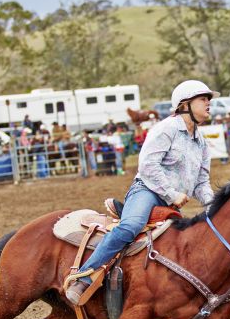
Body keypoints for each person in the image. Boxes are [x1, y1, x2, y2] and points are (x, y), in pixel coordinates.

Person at [65, 80, 218, 305]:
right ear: (185, 104)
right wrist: (171, 193)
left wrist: (215, 204)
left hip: (170, 204)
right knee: (131, 226)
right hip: (147, 191)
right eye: (203, 99)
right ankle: (84, 277)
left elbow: (201, 182)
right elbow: (147, 166)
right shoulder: (166, 129)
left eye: (208, 100)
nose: (208, 104)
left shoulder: (201, 143)